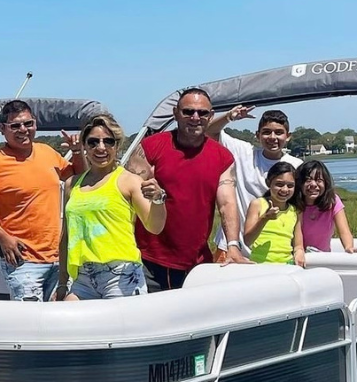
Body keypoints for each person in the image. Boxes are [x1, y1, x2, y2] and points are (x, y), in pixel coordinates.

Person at [0, 99, 85, 301]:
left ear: (35, 123)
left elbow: (78, 178)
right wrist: (2, 238)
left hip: (59, 259)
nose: (23, 130)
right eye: (15, 125)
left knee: (60, 323)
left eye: (28, 124)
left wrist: (78, 151)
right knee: (31, 325)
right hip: (23, 262)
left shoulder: (47, 153)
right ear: (2, 129)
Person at [126, 87, 248, 291]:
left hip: (197, 263)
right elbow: (127, 199)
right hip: (148, 259)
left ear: (210, 116)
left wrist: (233, 246)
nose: (195, 117)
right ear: (176, 114)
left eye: (202, 113)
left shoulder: (223, 157)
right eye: (188, 112)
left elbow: (227, 203)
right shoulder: (150, 147)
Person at [58, 113, 167, 300]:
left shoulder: (130, 181)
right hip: (82, 277)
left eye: (108, 141)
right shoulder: (71, 185)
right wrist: (62, 283)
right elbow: (66, 237)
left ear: (117, 145)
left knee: (118, 330)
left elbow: (154, 227)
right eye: (93, 142)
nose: (101, 148)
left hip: (120, 276)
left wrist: (158, 199)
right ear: (84, 145)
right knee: (68, 324)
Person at [206, 106, 303, 259]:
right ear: (257, 135)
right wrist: (229, 117)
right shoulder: (244, 152)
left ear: (288, 136)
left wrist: (299, 249)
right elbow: (209, 131)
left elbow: (300, 210)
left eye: (279, 132)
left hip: (273, 252)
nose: (272, 137)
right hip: (232, 247)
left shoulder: (297, 165)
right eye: (266, 132)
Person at [295, 160, 357, 253]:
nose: (313, 185)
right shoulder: (294, 204)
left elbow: (344, 231)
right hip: (298, 256)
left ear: (325, 183)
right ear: (300, 183)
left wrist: (349, 247)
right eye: (308, 180)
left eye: (319, 180)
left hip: (323, 256)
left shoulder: (333, 201)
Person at [243, 161, 305, 266]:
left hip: (286, 265)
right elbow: (248, 240)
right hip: (261, 265)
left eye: (290, 186)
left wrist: (299, 253)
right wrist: (264, 218)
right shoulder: (258, 204)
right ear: (268, 183)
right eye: (279, 184)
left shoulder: (295, 210)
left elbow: (298, 245)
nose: (285, 189)